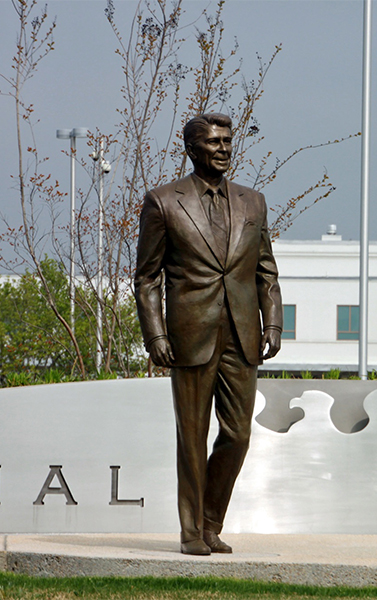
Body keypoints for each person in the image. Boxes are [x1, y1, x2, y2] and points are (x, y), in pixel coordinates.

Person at [134, 113, 283, 555]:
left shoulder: (253, 202)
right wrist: (155, 334)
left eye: (227, 141)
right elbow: (147, 277)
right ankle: (191, 531)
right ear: (192, 149)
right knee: (192, 435)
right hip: (189, 334)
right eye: (214, 142)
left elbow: (266, 270)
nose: (224, 149)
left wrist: (273, 321)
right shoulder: (163, 202)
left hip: (242, 334)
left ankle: (211, 521)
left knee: (238, 435)